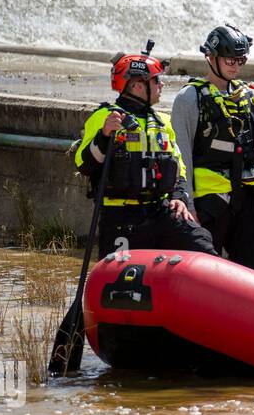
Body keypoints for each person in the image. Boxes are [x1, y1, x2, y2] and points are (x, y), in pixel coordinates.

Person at [73, 46, 215, 260]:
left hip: (161, 212)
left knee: (202, 245)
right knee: (121, 283)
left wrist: (179, 197)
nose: (162, 84)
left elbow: (180, 168)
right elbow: (83, 164)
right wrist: (103, 135)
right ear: (138, 86)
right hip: (121, 218)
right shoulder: (104, 117)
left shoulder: (164, 122)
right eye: (156, 80)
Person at [170, 24, 254, 271]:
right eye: (230, 59)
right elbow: (181, 157)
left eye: (240, 60)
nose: (235, 65)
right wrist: (188, 205)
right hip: (209, 206)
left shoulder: (248, 96)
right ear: (211, 57)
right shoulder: (189, 98)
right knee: (204, 273)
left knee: (253, 271)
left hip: (248, 203)